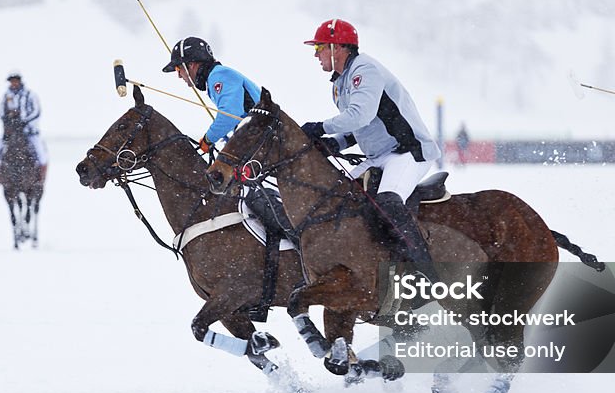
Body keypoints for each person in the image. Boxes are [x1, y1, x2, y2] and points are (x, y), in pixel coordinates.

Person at [299, 18, 442, 268]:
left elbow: (359, 115)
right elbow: (363, 126)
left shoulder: (365, 70)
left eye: (319, 48)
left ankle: (426, 273)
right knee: (338, 197)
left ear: (337, 48)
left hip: (409, 152)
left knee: (387, 203)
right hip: (378, 156)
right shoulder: (339, 83)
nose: (316, 55)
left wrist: (320, 128)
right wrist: (335, 145)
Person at [163, 37, 293, 239]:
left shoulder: (219, 75)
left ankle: (295, 239)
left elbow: (229, 114)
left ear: (192, 65)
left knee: (254, 197)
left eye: (179, 69)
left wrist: (208, 140)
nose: (179, 76)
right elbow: (238, 123)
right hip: (258, 149)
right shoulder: (214, 79)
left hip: (270, 147)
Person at [0, 71, 48, 188]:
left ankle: (40, 179)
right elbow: (0, 112)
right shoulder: (6, 96)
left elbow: (36, 111)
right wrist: (9, 121)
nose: (13, 83)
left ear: (20, 81)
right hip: (11, 132)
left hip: (29, 132)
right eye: (11, 81)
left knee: (41, 155)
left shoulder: (30, 95)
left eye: (15, 80)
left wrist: (24, 121)